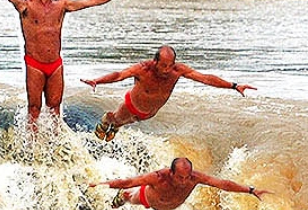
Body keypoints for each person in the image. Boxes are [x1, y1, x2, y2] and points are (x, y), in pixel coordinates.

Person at [0, 0, 128, 127]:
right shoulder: (27, 6)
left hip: (55, 65)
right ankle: (32, 144)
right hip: (34, 64)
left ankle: (56, 142)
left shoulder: (61, 5)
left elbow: (88, 2)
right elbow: (15, 1)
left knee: (55, 107)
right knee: (34, 108)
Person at [84, 45, 254, 141]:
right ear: (155, 61)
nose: (166, 70)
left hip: (150, 113)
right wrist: (98, 81)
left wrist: (234, 85)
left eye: (170, 65)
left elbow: (205, 78)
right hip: (131, 106)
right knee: (115, 120)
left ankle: (114, 127)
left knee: (124, 124)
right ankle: (106, 120)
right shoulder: (143, 69)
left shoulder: (178, 70)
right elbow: (119, 75)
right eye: (163, 65)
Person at [105, 157, 264, 210]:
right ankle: (123, 196)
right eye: (180, 177)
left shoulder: (195, 178)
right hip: (149, 199)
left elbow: (223, 184)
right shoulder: (159, 177)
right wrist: (102, 184)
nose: (184, 181)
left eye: (187, 177)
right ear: (171, 173)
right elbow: (130, 181)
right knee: (130, 196)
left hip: (169, 206)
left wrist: (250, 190)